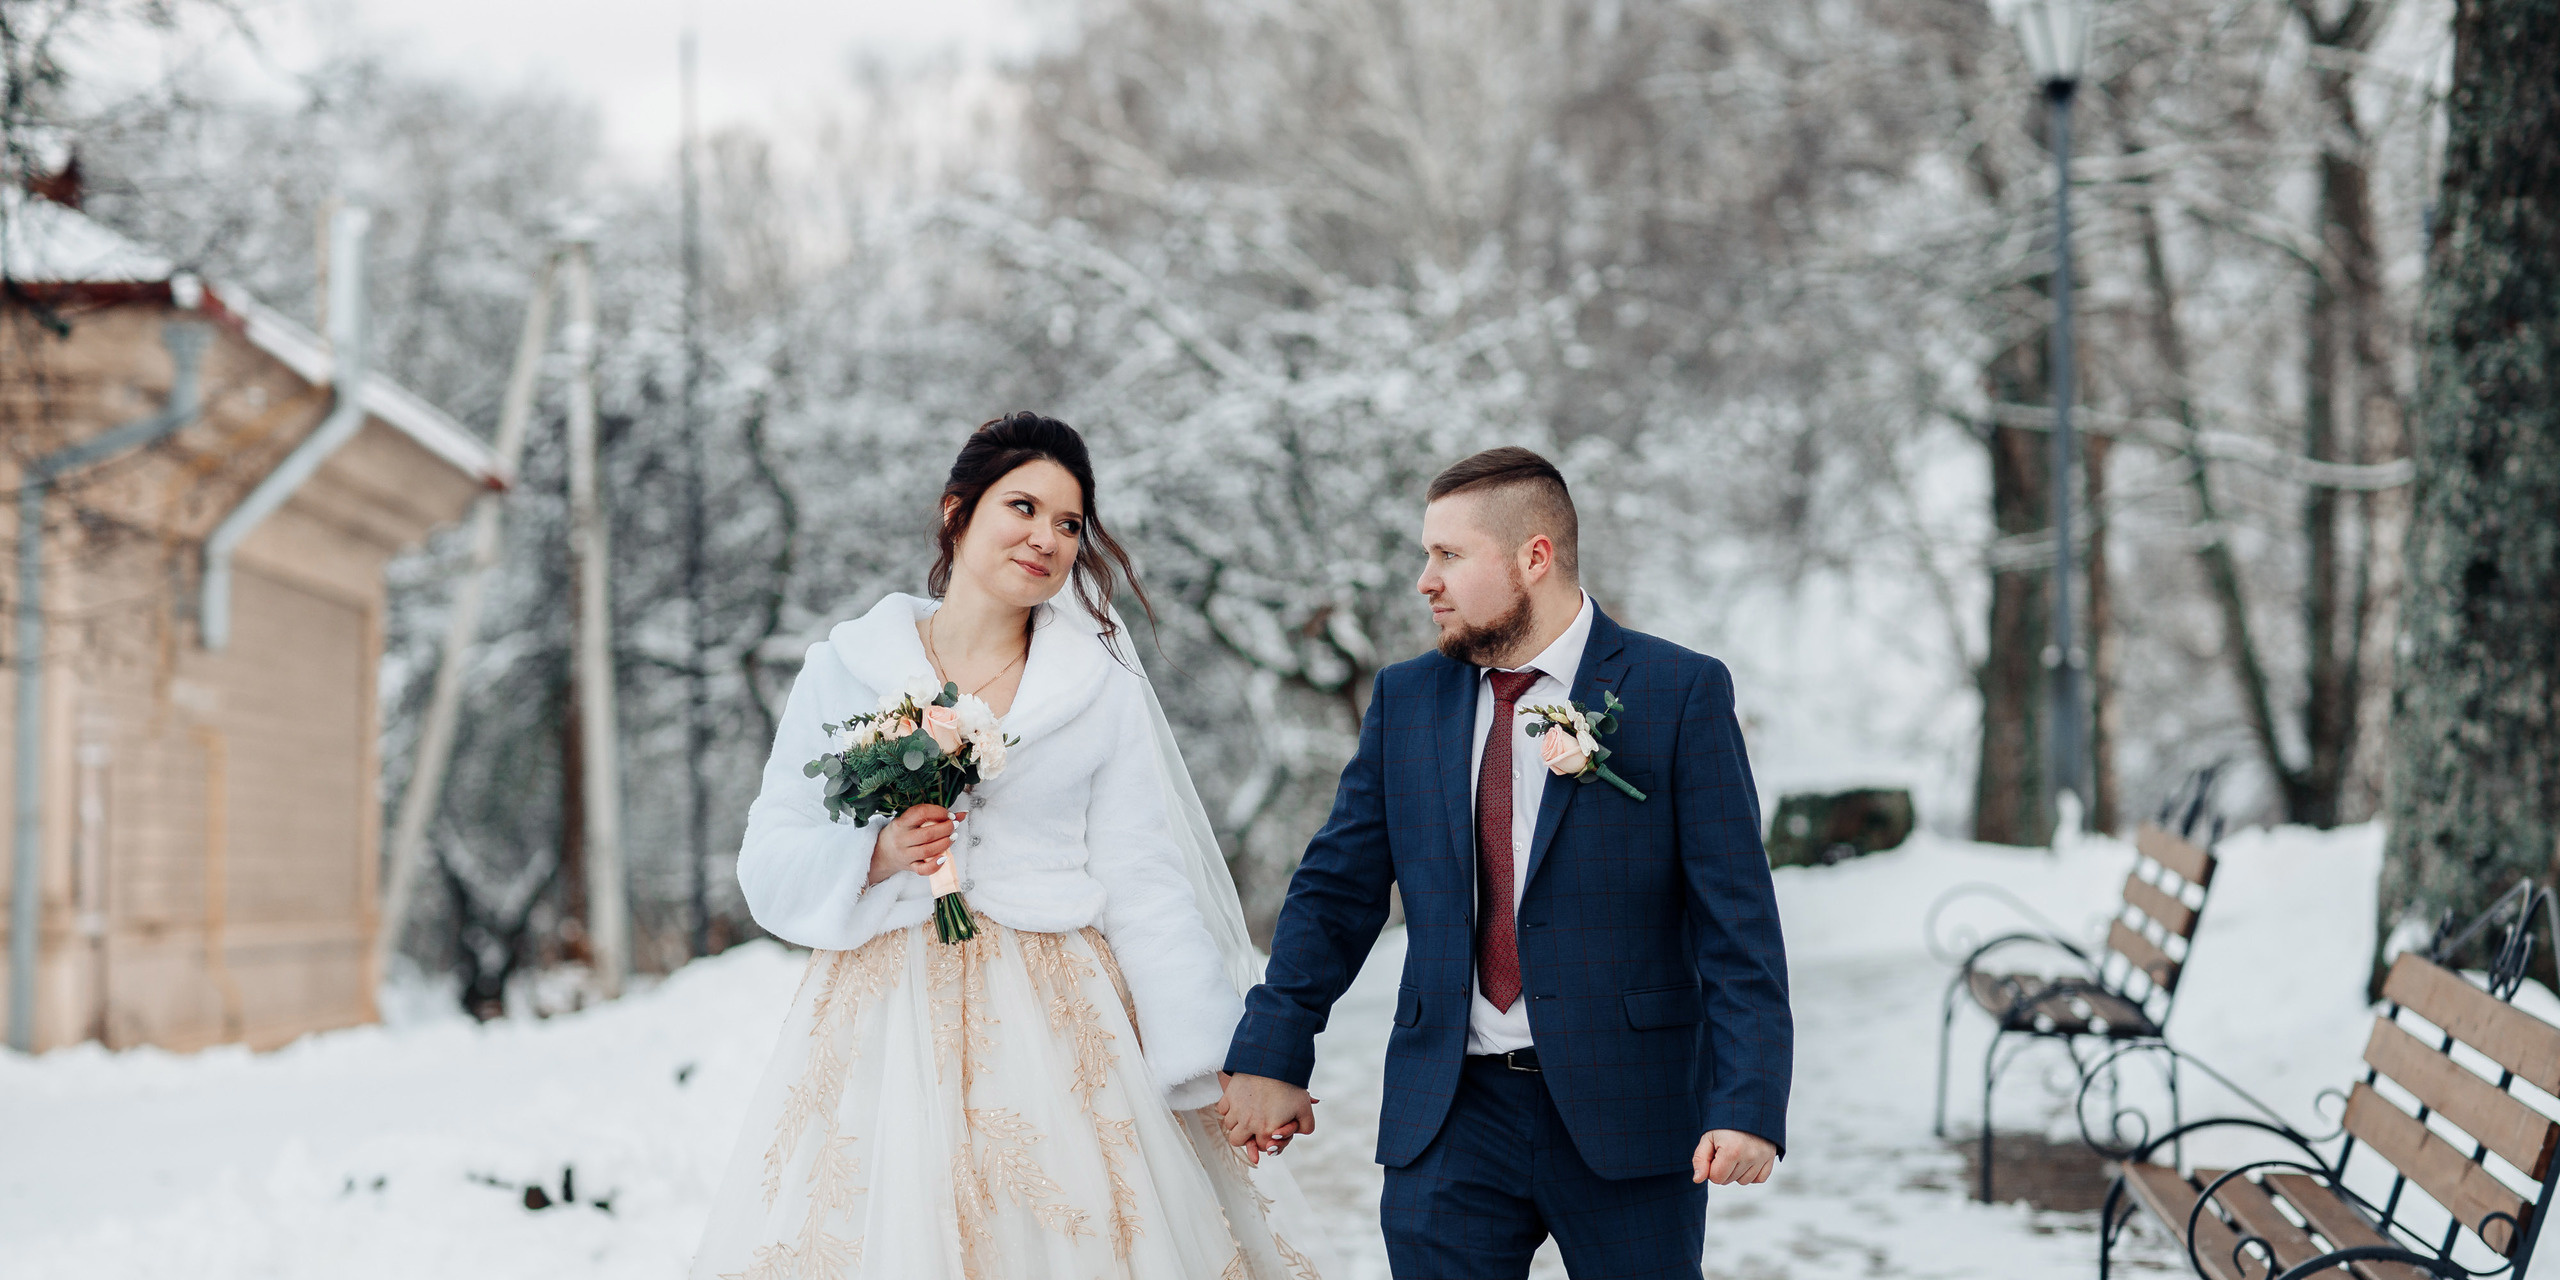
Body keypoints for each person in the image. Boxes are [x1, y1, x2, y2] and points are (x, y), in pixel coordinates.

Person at [692, 412, 1324, 1280]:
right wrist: (875, 855)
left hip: (1061, 1016)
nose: (1046, 539)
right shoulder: (847, 667)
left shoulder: (1096, 687)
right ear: (958, 510)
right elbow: (769, 854)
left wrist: (1213, 1062)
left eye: (1069, 525)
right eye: (1022, 507)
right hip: (887, 1010)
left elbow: (1143, 878)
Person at [1217, 446, 1792, 1280]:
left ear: (1534, 557)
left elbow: (1736, 920)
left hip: (1631, 1111)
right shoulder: (1408, 701)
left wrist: (1747, 1103)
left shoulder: (1677, 693)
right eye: (1427, 554)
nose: (1425, 580)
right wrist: (1275, 1049)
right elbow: (1335, 892)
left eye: (1448, 554)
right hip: (1448, 1114)